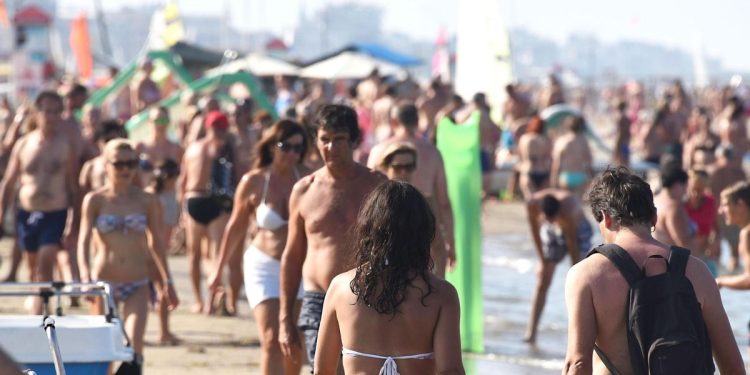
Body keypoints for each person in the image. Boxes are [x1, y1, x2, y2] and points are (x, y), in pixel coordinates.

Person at [563, 166, 743, 374]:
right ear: (654, 217)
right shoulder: (697, 270)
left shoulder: (587, 274)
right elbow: (733, 367)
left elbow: (577, 363)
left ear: (606, 217)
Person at [314, 181, 464, 374]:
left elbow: (322, 370)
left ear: (370, 228)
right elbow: (450, 370)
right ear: (423, 230)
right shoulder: (442, 294)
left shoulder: (340, 288)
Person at [278, 104, 386, 369]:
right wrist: (285, 319)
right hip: (319, 298)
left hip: (366, 296)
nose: (330, 147)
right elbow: (292, 256)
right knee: (323, 369)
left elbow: (396, 243)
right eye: (324, 139)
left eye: (338, 139)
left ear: (354, 141)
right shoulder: (304, 190)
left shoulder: (377, 186)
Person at [208, 119, 310, 374]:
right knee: (271, 338)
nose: (292, 154)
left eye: (298, 148)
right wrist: (218, 269)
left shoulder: (309, 179)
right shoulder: (254, 181)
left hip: (299, 266)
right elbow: (235, 228)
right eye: (286, 146)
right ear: (272, 146)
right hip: (264, 263)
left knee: (294, 339)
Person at [78, 139, 178, 366]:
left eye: (132, 163)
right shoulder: (95, 200)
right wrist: (84, 277)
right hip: (103, 283)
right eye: (119, 164)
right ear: (106, 165)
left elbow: (157, 244)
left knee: (133, 347)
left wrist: (167, 281)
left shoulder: (147, 200)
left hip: (137, 281)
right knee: (104, 349)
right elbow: (83, 241)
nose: (126, 169)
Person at [0, 91, 78, 314]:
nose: (51, 116)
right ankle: (38, 298)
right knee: (33, 263)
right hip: (27, 212)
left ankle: (42, 310)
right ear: (38, 112)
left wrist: (74, 219)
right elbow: (9, 181)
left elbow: (73, 186)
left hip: (55, 211)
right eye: (47, 111)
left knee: (46, 259)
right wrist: (1, 210)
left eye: (56, 111)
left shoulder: (65, 145)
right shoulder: (24, 144)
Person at [367, 102, 455, 277]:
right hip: (422, 230)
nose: (404, 171)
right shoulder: (432, 152)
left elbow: (368, 198)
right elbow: (444, 203)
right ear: (417, 121)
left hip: (386, 228)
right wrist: (451, 243)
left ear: (393, 122)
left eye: (409, 167)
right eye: (399, 167)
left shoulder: (378, 151)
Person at [180, 110, 240, 314]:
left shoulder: (193, 148)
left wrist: (182, 209)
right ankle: (210, 301)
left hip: (193, 197)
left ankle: (198, 301)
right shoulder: (224, 148)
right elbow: (236, 175)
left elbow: (183, 179)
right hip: (214, 200)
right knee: (216, 255)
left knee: (193, 254)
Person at [524, 188, 591, 344]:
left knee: (580, 285)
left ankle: (578, 336)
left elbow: (572, 243)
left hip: (578, 230)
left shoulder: (568, 208)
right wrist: (542, 260)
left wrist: (575, 272)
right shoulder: (532, 205)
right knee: (543, 278)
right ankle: (531, 333)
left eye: (552, 219)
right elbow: (535, 232)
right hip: (555, 230)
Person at [711, 145, 746, 270]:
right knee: (733, 250)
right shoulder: (738, 171)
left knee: (717, 249)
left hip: (722, 212)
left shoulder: (715, 171)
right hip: (734, 212)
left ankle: (720, 278)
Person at [685, 169, 720, 276]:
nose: (695, 194)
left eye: (700, 190)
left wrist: (715, 242)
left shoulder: (710, 202)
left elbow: (717, 229)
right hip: (686, 256)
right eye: (693, 190)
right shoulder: (680, 205)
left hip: (706, 254)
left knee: (714, 286)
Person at [653, 164, 696, 250]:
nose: (686, 191)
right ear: (677, 185)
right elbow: (683, 243)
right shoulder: (673, 208)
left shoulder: (654, 200)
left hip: (657, 255)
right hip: (671, 259)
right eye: (685, 187)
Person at [551, 115, 592, 197]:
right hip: (580, 175)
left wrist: (553, 178)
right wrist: (589, 175)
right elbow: (589, 160)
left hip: (566, 176)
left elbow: (557, 163)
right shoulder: (583, 140)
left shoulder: (562, 140)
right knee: (578, 205)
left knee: (566, 203)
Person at [516, 115, 552, 199]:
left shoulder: (524, 139)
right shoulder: (546, 140)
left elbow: (520, 156)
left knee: (531, 201)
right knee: (542, 202)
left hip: (528, 170)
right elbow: (549, 157)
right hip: (544, 171)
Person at [612, 100, 631, 167]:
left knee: (620, 166)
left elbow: (620, 134)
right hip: (626, 143)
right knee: (626, 165)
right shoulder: (627, 118)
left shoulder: (620, 118)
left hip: (621, 144)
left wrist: (616, 148)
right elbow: (628, 133)